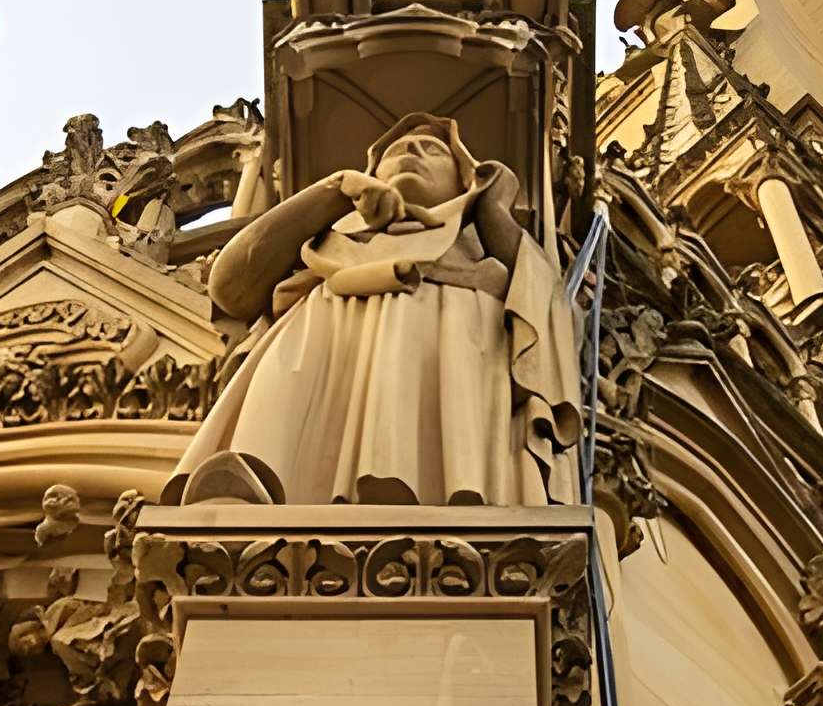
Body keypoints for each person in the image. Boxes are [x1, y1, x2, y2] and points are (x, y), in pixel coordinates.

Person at [171, 113, 579, 508]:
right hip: (325, 344)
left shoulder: (478, 251)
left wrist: (491, 209)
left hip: (451, 346)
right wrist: (334, 191)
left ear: (463, 181)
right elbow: (229, 288)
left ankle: (447, 481)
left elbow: (549, 309)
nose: (412, 152)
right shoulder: (326, 243)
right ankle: (262, 471)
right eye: (399, 149)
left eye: (431, 150)